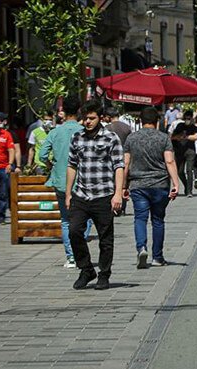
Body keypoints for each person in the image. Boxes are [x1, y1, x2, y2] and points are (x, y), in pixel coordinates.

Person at [65, 100, 124, 290]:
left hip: (104, 194)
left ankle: (104, 274)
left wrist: (118, 194)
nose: (88, 122)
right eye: (85, 118)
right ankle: (86, 269)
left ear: (100, 118)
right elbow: (72, 165)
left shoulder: (111, 138)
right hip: (81, 194)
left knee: (105, 238)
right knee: (74, 231)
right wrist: (68, 193)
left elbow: (119, 167)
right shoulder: (77, 138)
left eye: (91, 118)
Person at [123, 107, 180, 268]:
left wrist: (122, 185)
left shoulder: (131, 139)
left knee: (140, 218)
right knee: (158, 220)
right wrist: (176, 183)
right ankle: (157, 257)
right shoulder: (164, 138)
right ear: (157, 121)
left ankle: (141, 247)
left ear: (141, 121)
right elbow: (169, 161)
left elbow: (126, 163)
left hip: (138, 185)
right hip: (160, 185)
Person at [39, 97, 92, 268]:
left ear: (63, 112)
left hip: (61, 180)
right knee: (87, 217)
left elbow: (41, 155)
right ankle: (79, 249)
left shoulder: (55, 132)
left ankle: (71, 256)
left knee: (65, 219)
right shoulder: (84, 131)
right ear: (78, 111)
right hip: (83, 181)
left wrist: (52, 165)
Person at [171, 110, 197, 197]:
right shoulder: (180, 126)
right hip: (179, 151)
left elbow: (196, 137)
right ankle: (186, 185)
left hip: (190, 151)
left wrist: (186, 137)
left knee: (189, 170)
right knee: (179, 171)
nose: (187, 120)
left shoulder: (194, 127)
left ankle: (189, 191)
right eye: (186, 118)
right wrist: (179, 137)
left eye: (189, 118)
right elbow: (172, 136)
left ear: (192, 119)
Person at [26, 111, 54, 175]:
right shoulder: (35, 132)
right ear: (42, 120)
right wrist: (29, 164)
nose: (48, 121)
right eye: (46, 119)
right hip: (39, 164)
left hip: (53, 164)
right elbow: (32, 149)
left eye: (50, 120)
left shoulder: (55, 132)